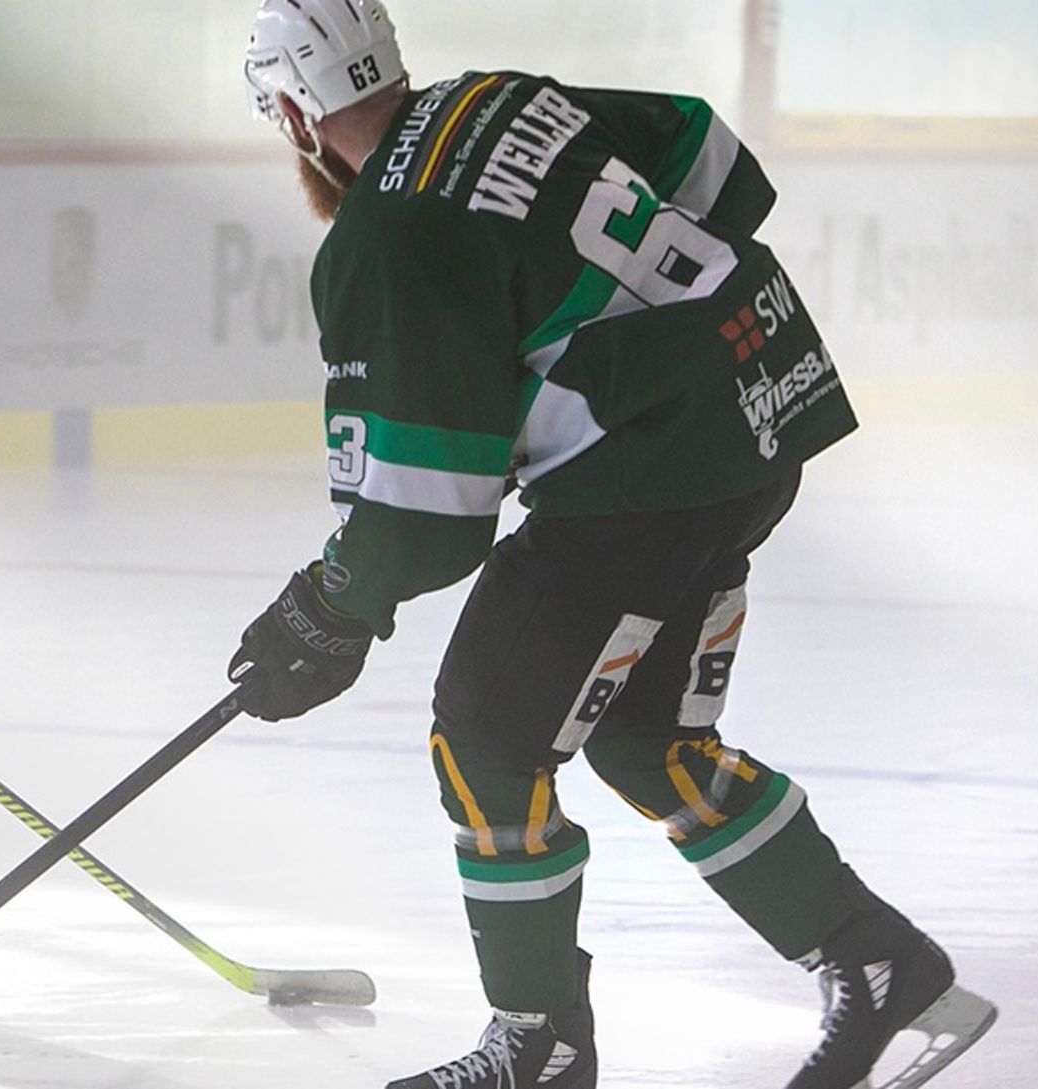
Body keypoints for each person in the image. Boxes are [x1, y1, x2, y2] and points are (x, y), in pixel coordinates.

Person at [231, 3, 996, 1087]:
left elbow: (421, 519)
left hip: (646, 478)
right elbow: (717, 162)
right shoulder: (498, 97)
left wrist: (327, 607)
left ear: (295, 111)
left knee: (487, 739)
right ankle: (879, 963)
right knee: (648, 738)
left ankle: (537, 1044)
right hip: (757, 414)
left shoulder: (383, 235)